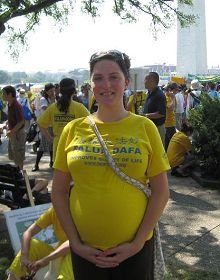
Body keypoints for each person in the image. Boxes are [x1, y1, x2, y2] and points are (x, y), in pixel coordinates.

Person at [52, 50, 170, 280]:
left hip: (134, 251)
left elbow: (161, 191)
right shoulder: (73, 129)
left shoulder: (145, 128)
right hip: (85, 252)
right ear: (91, 83)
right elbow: (58, 191)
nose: (106, 84)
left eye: (114, 77)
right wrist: (74, 243)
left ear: (126, 81)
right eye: (98, 78)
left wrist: (137, 243)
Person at [6, 207, 74, 280]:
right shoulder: (53, 211)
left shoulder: (78, 212)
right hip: (59, 252)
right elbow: (28, 232)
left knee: (71, 255)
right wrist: (24, 256)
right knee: (32, 244)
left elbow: (72, 244)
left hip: (75, 254)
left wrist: (44, 260)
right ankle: (13, 277)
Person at [37, 78, 89, 162]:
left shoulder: (53, 107)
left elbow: (40, 123)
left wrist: (50, 139)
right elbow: (92, 125)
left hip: (58, 145)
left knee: (59, 174)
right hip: (74, 147)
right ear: (74, 91)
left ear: (60, 90)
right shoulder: (79, 107)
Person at [32, 84, 55, 172]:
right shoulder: (43, 99)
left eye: (53, 91)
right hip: (45, 126)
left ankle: (51, 163)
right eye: (51, 91)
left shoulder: (53, 99)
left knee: (52, 145)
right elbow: (46, 109)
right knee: (43, 146)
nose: (53, 93)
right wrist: (53, 102)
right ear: (46, 91)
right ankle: (36, 164)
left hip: (52, 125)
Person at [2, 86, 25, 170]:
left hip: (18, 133)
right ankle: (18, 172)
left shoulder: (17, 105)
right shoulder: (9, 104)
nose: (2, 95)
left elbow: (21, 121)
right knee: (14, 155)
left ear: (10, 94)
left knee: (19, 156)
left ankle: (20, 175)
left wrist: (12, 131)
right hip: (13, 132)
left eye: (4, 93)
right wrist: (7, 124)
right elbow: (13, 118)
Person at [143, 72, 166, 146]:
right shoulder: (149, 93)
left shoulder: (159, 95)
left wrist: (145, 116)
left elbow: (161, 114)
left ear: (153, 81)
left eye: (146, 79)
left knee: (158, 149)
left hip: (157, 128)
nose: (144, 81)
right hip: (150, 126)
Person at [164, 83, 177, 151]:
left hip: (171, 123)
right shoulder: (166, 98)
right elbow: (171, 108)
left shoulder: (170, 97)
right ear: (170, 90)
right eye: (175, 90)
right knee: (172, 143)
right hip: (168, 124)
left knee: (168, 143)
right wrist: (173, 98)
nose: (176, 92)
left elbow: (174, 108)